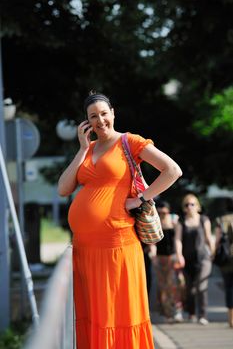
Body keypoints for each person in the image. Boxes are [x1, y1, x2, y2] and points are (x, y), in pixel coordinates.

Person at [58, 91, 182, 349]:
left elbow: (172, 170)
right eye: (93, 116)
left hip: (117, 245)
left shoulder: (130, 142)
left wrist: (142, 199)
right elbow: (63, 188)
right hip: (85, 249)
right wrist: (82, 148)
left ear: (113, 113)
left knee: (118, 314)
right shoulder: (88, 148)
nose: (100, 120)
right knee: (96, 316)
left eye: (104, 113)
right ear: (87, 122)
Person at [175, 193, 214, 325]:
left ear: (197, 206)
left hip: (203, 258)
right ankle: (191, 313)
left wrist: (213, 252)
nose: (189, 207)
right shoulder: (181, 221)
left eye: (192, 204)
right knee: (189, 287)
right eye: (187, 204)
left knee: (201, 285)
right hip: (187, 259)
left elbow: (209, 238)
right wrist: (179, 255)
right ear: (184, 207)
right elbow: (178, 239)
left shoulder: (204, 219)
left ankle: (203, 315)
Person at [153, 200, 184, 323]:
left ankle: (177, 310)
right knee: (163, 286)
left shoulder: (174, 222)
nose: (162, 215)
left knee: (175, 284)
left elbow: (178, 239)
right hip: (160, 258)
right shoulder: (155, 222)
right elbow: (153, 242)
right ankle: (168, 313)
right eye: (159, 213)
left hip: (172, 257)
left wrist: (179, 255)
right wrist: (154, 256)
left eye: (164, 213)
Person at [214, 202, 233, 328]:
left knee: (229, 287)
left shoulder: (221, 220)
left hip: (227, 259)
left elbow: (217, 240)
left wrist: (214, 254)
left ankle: (231, 319)